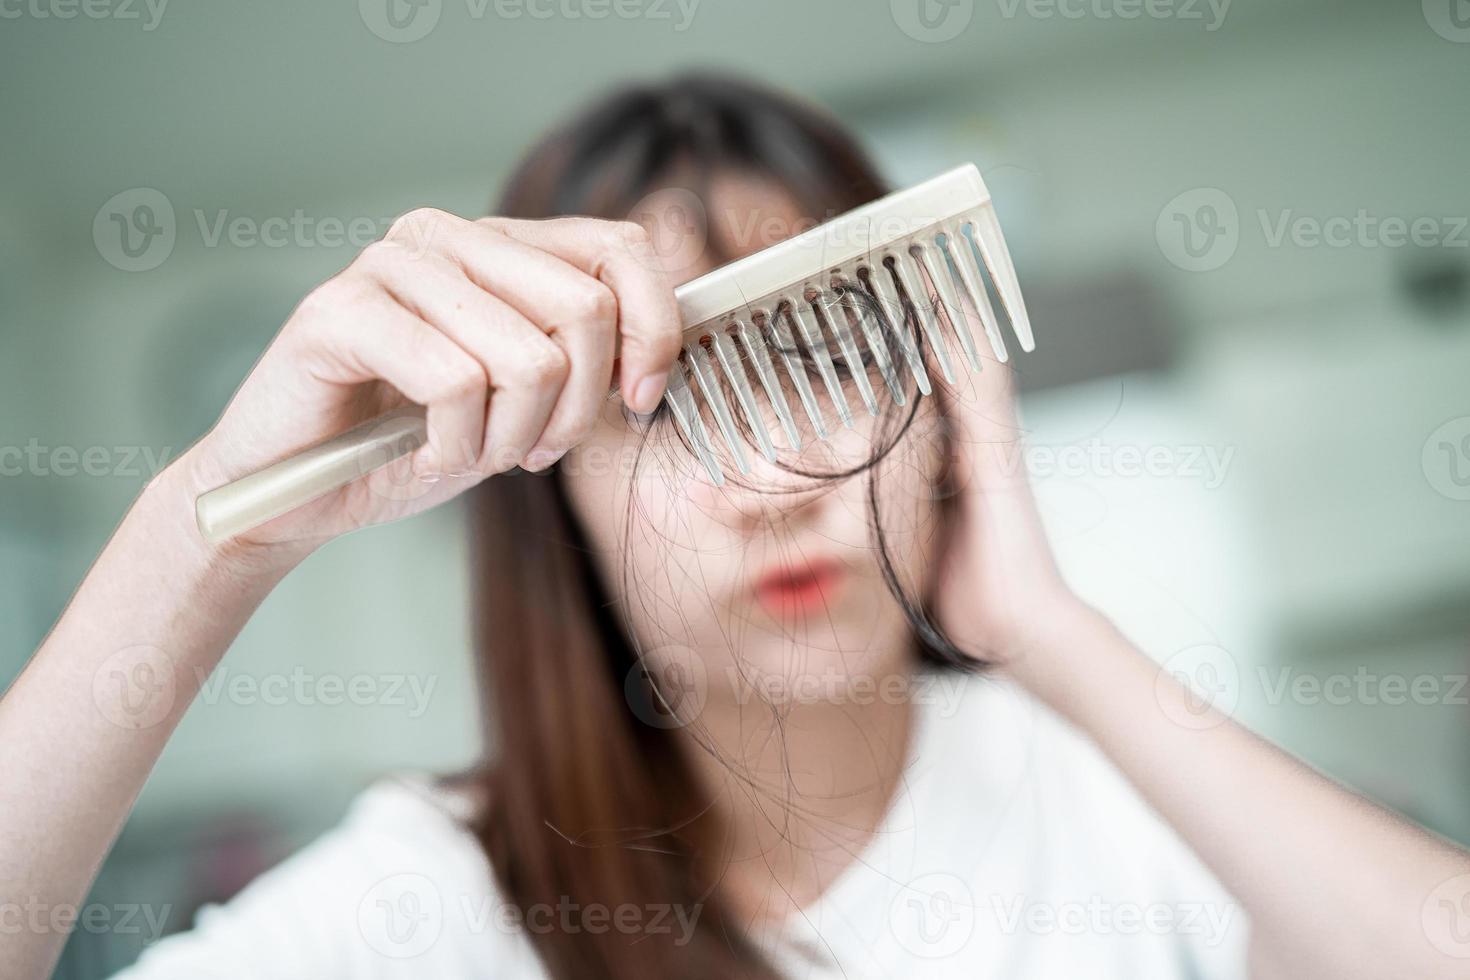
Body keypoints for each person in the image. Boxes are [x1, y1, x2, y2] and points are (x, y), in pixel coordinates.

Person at [4, 73, 1467, 980]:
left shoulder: (1112, 801)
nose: (770, 483)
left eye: (822, 364)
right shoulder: (436, 902)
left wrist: (1048, 636)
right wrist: (200, 547)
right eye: (653, 409)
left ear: (941, 404)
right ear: (550, 501)